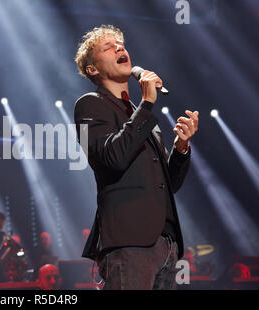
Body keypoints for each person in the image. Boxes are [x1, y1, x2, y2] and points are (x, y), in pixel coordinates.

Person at [74, 25, 198, 289]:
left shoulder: (141, 116)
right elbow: (112, 158)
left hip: (166, 243)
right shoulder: (89, 105)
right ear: (92, 69)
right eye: (108, 47)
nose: (119, 47)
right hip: (129, 241)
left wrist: (181, 148)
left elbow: (169, 184)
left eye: (121, 44)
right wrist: (146, 105)